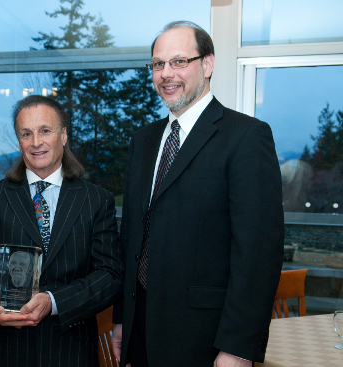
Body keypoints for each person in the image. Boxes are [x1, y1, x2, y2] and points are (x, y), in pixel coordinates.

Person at [111, 21, 284, 367]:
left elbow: (258, 254)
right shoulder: (143, 141)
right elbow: (130, 238)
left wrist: (238, 347)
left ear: (207, 64)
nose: (165, 74)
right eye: (158, 64)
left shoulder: (246, 137)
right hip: (141, 330)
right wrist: (122, 320)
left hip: (207, 338)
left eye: (179, 61)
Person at [0, 95, 122, 367]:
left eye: (45, 131)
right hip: (6, 351)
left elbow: (109, 276)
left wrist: (54, 302)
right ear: (19, 140)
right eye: (26, 133)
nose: (36, 142)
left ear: (63, 135)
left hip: (70, 351)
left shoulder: (96, 200)